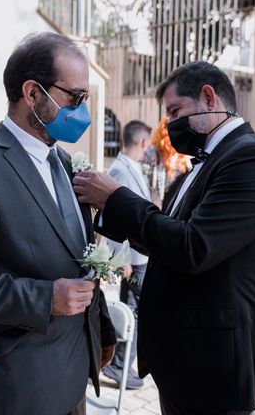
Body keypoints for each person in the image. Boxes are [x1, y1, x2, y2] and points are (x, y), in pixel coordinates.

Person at [74, 61, 255, 414]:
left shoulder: (254, 158)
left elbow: (195, 247)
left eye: (176, 111)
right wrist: (108, 208)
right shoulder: (208, 160)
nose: (170, 125)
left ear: (209, 97)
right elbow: (167, 236)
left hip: (215, 361)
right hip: (183, 356)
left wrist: (116, 198)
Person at [0, 33, 116, 415]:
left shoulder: (63, 162)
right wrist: (43, 299)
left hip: (73, 376)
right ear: (32, 93)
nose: (83, 111)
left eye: (86, 99)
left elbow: (71, 254)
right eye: (75, 98)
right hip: (14, 388)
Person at [101, 120, 152, 390]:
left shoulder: (131, 167)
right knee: (134, 311)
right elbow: (114, 217)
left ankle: (123, 363)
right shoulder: (121, 170)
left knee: (136, 309)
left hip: (139, 257)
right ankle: (120, 363)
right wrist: (122, 260)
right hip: (132, 260)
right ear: (143, 142)